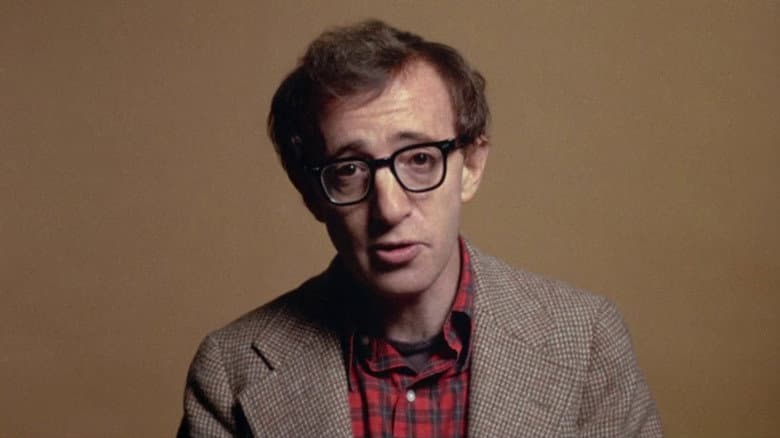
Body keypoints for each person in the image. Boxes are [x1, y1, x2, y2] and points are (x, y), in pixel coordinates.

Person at [178, 20, 662, 437]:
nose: (389, 209)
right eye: (349, 169)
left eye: (420, 159)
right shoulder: (230, 370)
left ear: (471, 166)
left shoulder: (587, 340)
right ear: (311, 194)